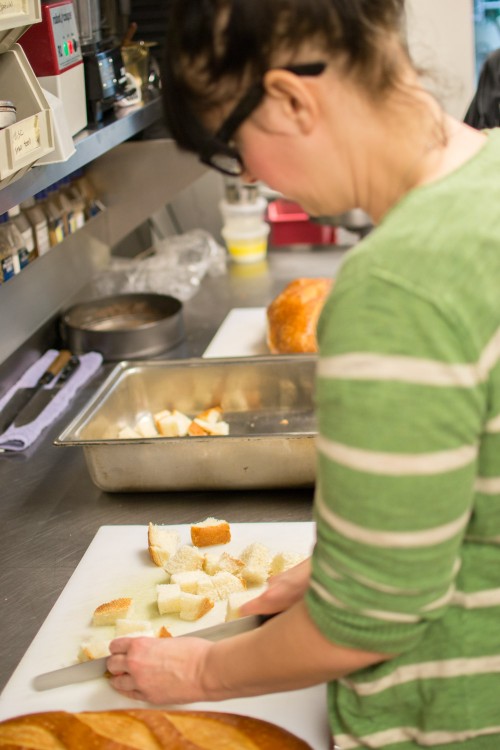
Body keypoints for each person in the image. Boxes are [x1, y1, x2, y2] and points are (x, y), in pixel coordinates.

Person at [107, 1, 500, 747]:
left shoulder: (398, 288)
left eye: (233, 146)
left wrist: (197, 674)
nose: (250, 176)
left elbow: (365, 625)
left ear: (290, 98)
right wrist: (366, 549)